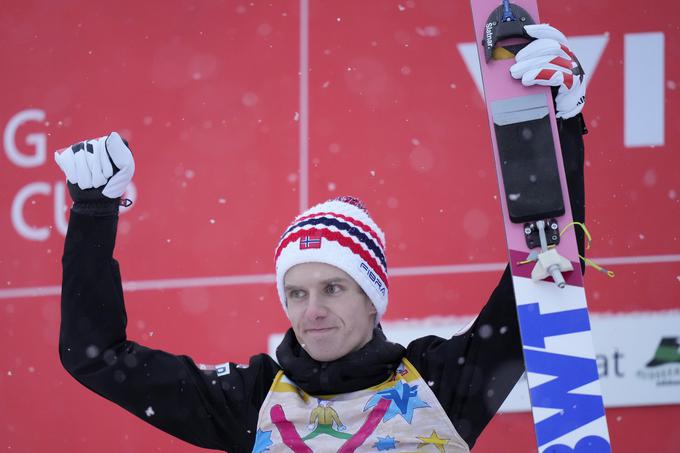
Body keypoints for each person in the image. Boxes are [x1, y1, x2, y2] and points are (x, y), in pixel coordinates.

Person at [57, 24, 588, 452]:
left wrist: (557, 128)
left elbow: (546, 273)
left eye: (333, 287)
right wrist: (93, 213)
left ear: (373, 298)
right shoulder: (251, 400)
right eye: (297, 292)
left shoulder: (443, 383)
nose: (311, 309)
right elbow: (95, 356)